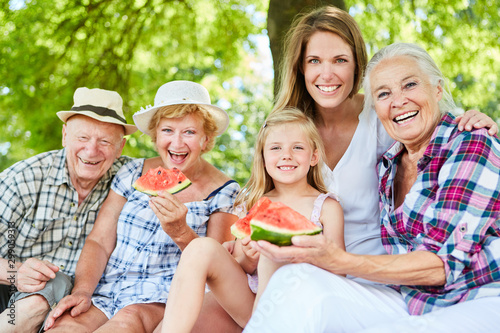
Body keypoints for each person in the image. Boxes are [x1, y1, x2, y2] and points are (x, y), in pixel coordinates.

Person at [245, 42, 500, 332]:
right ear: (374, 107)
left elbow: (442, 264)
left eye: (410, 84)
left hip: (476, 297)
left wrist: (341, 260)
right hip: (409, 300)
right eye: (383, 93)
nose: (398, 101)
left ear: (438, 89)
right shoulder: (388, 163)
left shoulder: (470, 142)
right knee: (297, 280)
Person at [43, 80, 240, 333]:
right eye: (168, 130)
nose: (177, 143)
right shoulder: (132, 171)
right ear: (155, 134)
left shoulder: (225, 191)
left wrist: (181, 232)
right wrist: (82, 291)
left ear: (206, 138)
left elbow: (216, 273)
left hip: (160, 300)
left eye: (189, 132)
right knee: (64, 327)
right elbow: (99, 242)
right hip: (104, 292)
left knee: (127, 320)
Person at [159, 107, 344, 333]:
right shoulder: (255, 204)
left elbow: (339, 270)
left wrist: (294, 253)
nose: (287, 155)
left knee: (272, 252)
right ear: (263, 157)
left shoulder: (327, 207)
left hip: (300, 306)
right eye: (276, 148)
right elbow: (240, 265)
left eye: (297, 147)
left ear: (314, 156)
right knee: (200, 248)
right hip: (251, 306)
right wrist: (248, 257)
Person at [0, 87, 136, 333]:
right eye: (82, 138)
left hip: (73, 307)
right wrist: (15, 272)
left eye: (105, 141)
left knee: (56, 283)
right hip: (7, 289)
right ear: (65, 135)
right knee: (49, 284)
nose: (91, 151)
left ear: (120, 147)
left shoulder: (128, 180)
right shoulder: (23, 179)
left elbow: (177, 162)